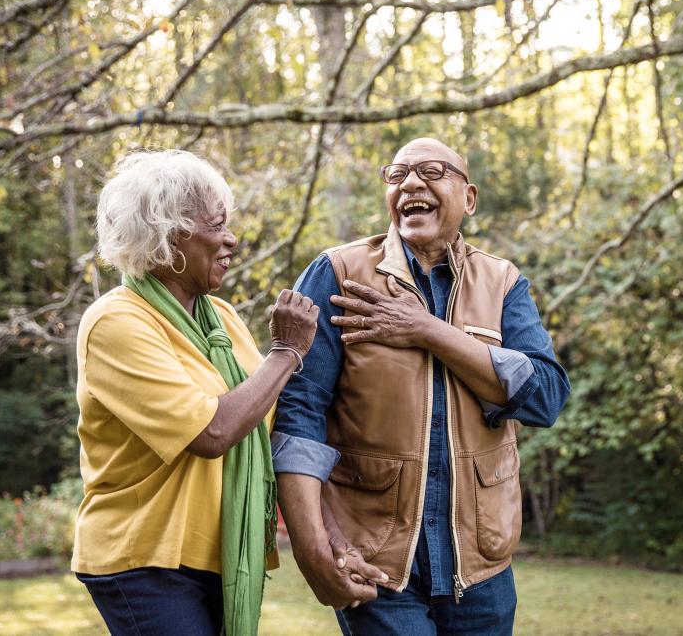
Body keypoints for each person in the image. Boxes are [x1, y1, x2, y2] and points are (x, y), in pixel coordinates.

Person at [272, 137, 571, 635]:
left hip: (482, 568)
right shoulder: (338, 274)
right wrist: (312, 546)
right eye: (397, 175)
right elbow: (298, 417)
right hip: (375, 561)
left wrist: (427, 330)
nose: (411, 183)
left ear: (469, 198)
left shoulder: (502, 283)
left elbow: (545, 397)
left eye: (432, 171)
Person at [71, 150, 319, 636]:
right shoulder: (116, 322)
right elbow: (212, 430)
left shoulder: (221, 321)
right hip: (144, 556)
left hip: (219, 550)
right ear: (167, 235)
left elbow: (269, 415)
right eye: (216, 224)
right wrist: (286, 353)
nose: (231, 239)